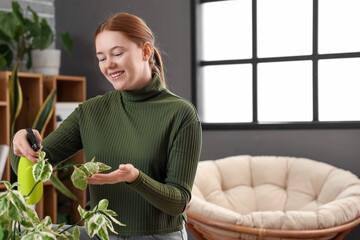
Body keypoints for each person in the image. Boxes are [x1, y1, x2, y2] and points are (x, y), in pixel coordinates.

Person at [11, 12, 202, 240]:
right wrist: (22, 144)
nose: (109, 64)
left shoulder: (180, 114)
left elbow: (178, 202)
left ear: (146, 51)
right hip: (101, 234)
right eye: (101, 58)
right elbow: (36, 164)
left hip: (155, 236)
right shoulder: (90, 112)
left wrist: (134, 177)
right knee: (25, 234)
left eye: (117, 53)